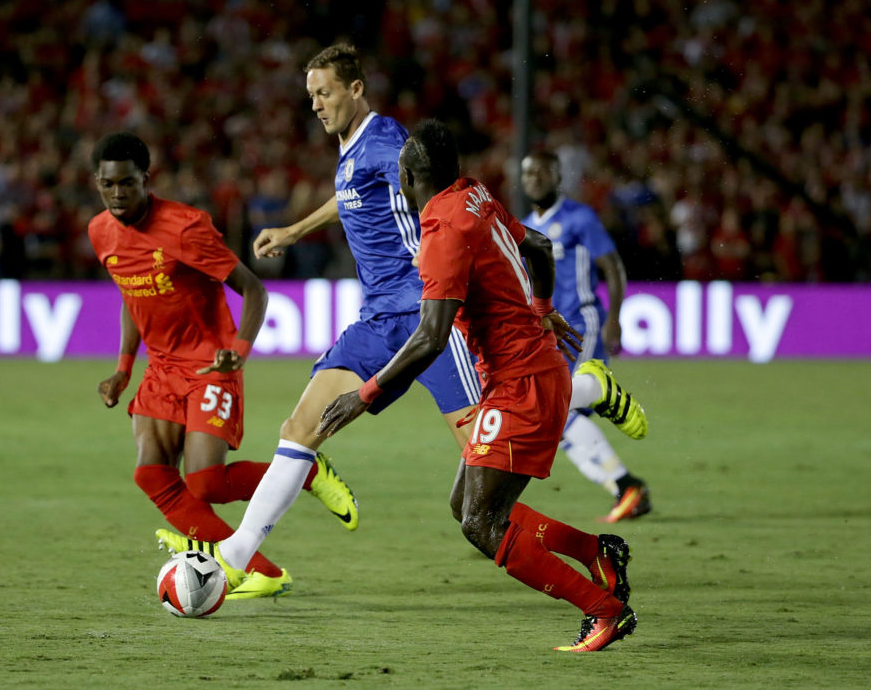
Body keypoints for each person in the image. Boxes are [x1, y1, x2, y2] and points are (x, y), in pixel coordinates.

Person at [320, 119, 637, 652]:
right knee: (465, 505)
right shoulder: (474, 194)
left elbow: (430, 337)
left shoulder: (444, 232)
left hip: (522, 384)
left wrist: (365, 394)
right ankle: (596, 552)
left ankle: (604, 610)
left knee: (481, 524)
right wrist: (541, 308)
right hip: (521, 374)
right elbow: (539, 245)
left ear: (406, 178)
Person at [156, 44, 481, 558]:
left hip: (429, 317)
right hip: (378, 322)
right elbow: (352, 196)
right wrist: (294, 230)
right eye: (311, 95)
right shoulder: (352, 147)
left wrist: (453, 256)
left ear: (356, 89)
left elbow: (439, 199)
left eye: (324, 93)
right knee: (301, 428)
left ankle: (578, 394)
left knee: (486, 462)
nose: (315, 105)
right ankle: (236, 557)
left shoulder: (386, 142)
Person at [87, 131, 355, 600]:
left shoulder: (184, 227)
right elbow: (131, 293)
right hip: (161, 368)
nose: (117, 194)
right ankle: (261, 570)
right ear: (98, 183)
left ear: (145, 179)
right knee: (151, 474)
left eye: (127, 183)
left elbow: (254, 289)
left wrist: (239, 350)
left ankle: (308, 473)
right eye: (108, 184)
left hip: (210, 362)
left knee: (206, 483)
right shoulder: (100, 231)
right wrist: (124, 369)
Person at [520, 151, 652, 523]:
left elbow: (613, 266)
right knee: (552, 419)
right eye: (528, 173)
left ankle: (624, 484)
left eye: (543, 171)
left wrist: (615, 319)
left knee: (553, 408)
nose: (535, 178)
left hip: (581, 324)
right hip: (548, 334)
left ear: (557, 176)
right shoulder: (524, 226)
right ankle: (625, 487)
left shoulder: (579, 218)